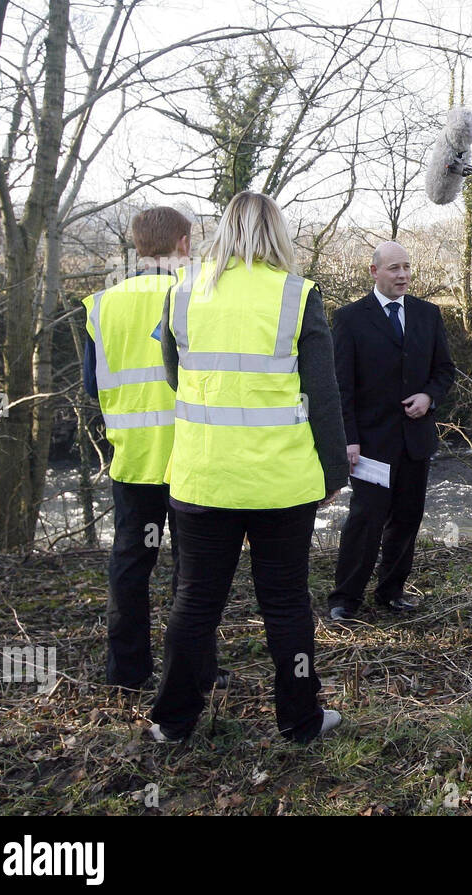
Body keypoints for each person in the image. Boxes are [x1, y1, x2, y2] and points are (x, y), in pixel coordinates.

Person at [149, 191, 347, 743]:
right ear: (277, 232)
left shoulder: (183, 292)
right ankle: (301, 721)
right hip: (280, 483)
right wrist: (332, 472)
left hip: (202, 475)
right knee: (285, 603)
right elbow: (323, 395)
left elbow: (173, 374)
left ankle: (173, 720)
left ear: (223, 230)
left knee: (195, 602)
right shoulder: (297, 294)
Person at [81, 206, 222, 693]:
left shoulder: (102, 305)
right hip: (192, 459)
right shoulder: (198, 295)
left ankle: (127, 672)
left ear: (137, 245)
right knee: (195, 573)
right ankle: (196, 672)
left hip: (134, 458)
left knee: (132, 564)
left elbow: (89, 382)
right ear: (185, 243)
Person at [327, 241, 455, 622]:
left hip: (415, 439)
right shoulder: (349, 319)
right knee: (365, 520)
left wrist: (429, 397)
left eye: (407, 268)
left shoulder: (428, 315)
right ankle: (345, 598)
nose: (403, 275)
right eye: (394, 268)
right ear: (374, 272)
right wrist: (348, 439)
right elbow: (340, 387)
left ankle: (391, 591)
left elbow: (445, 371)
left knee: (407, 517)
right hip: (370, 443)